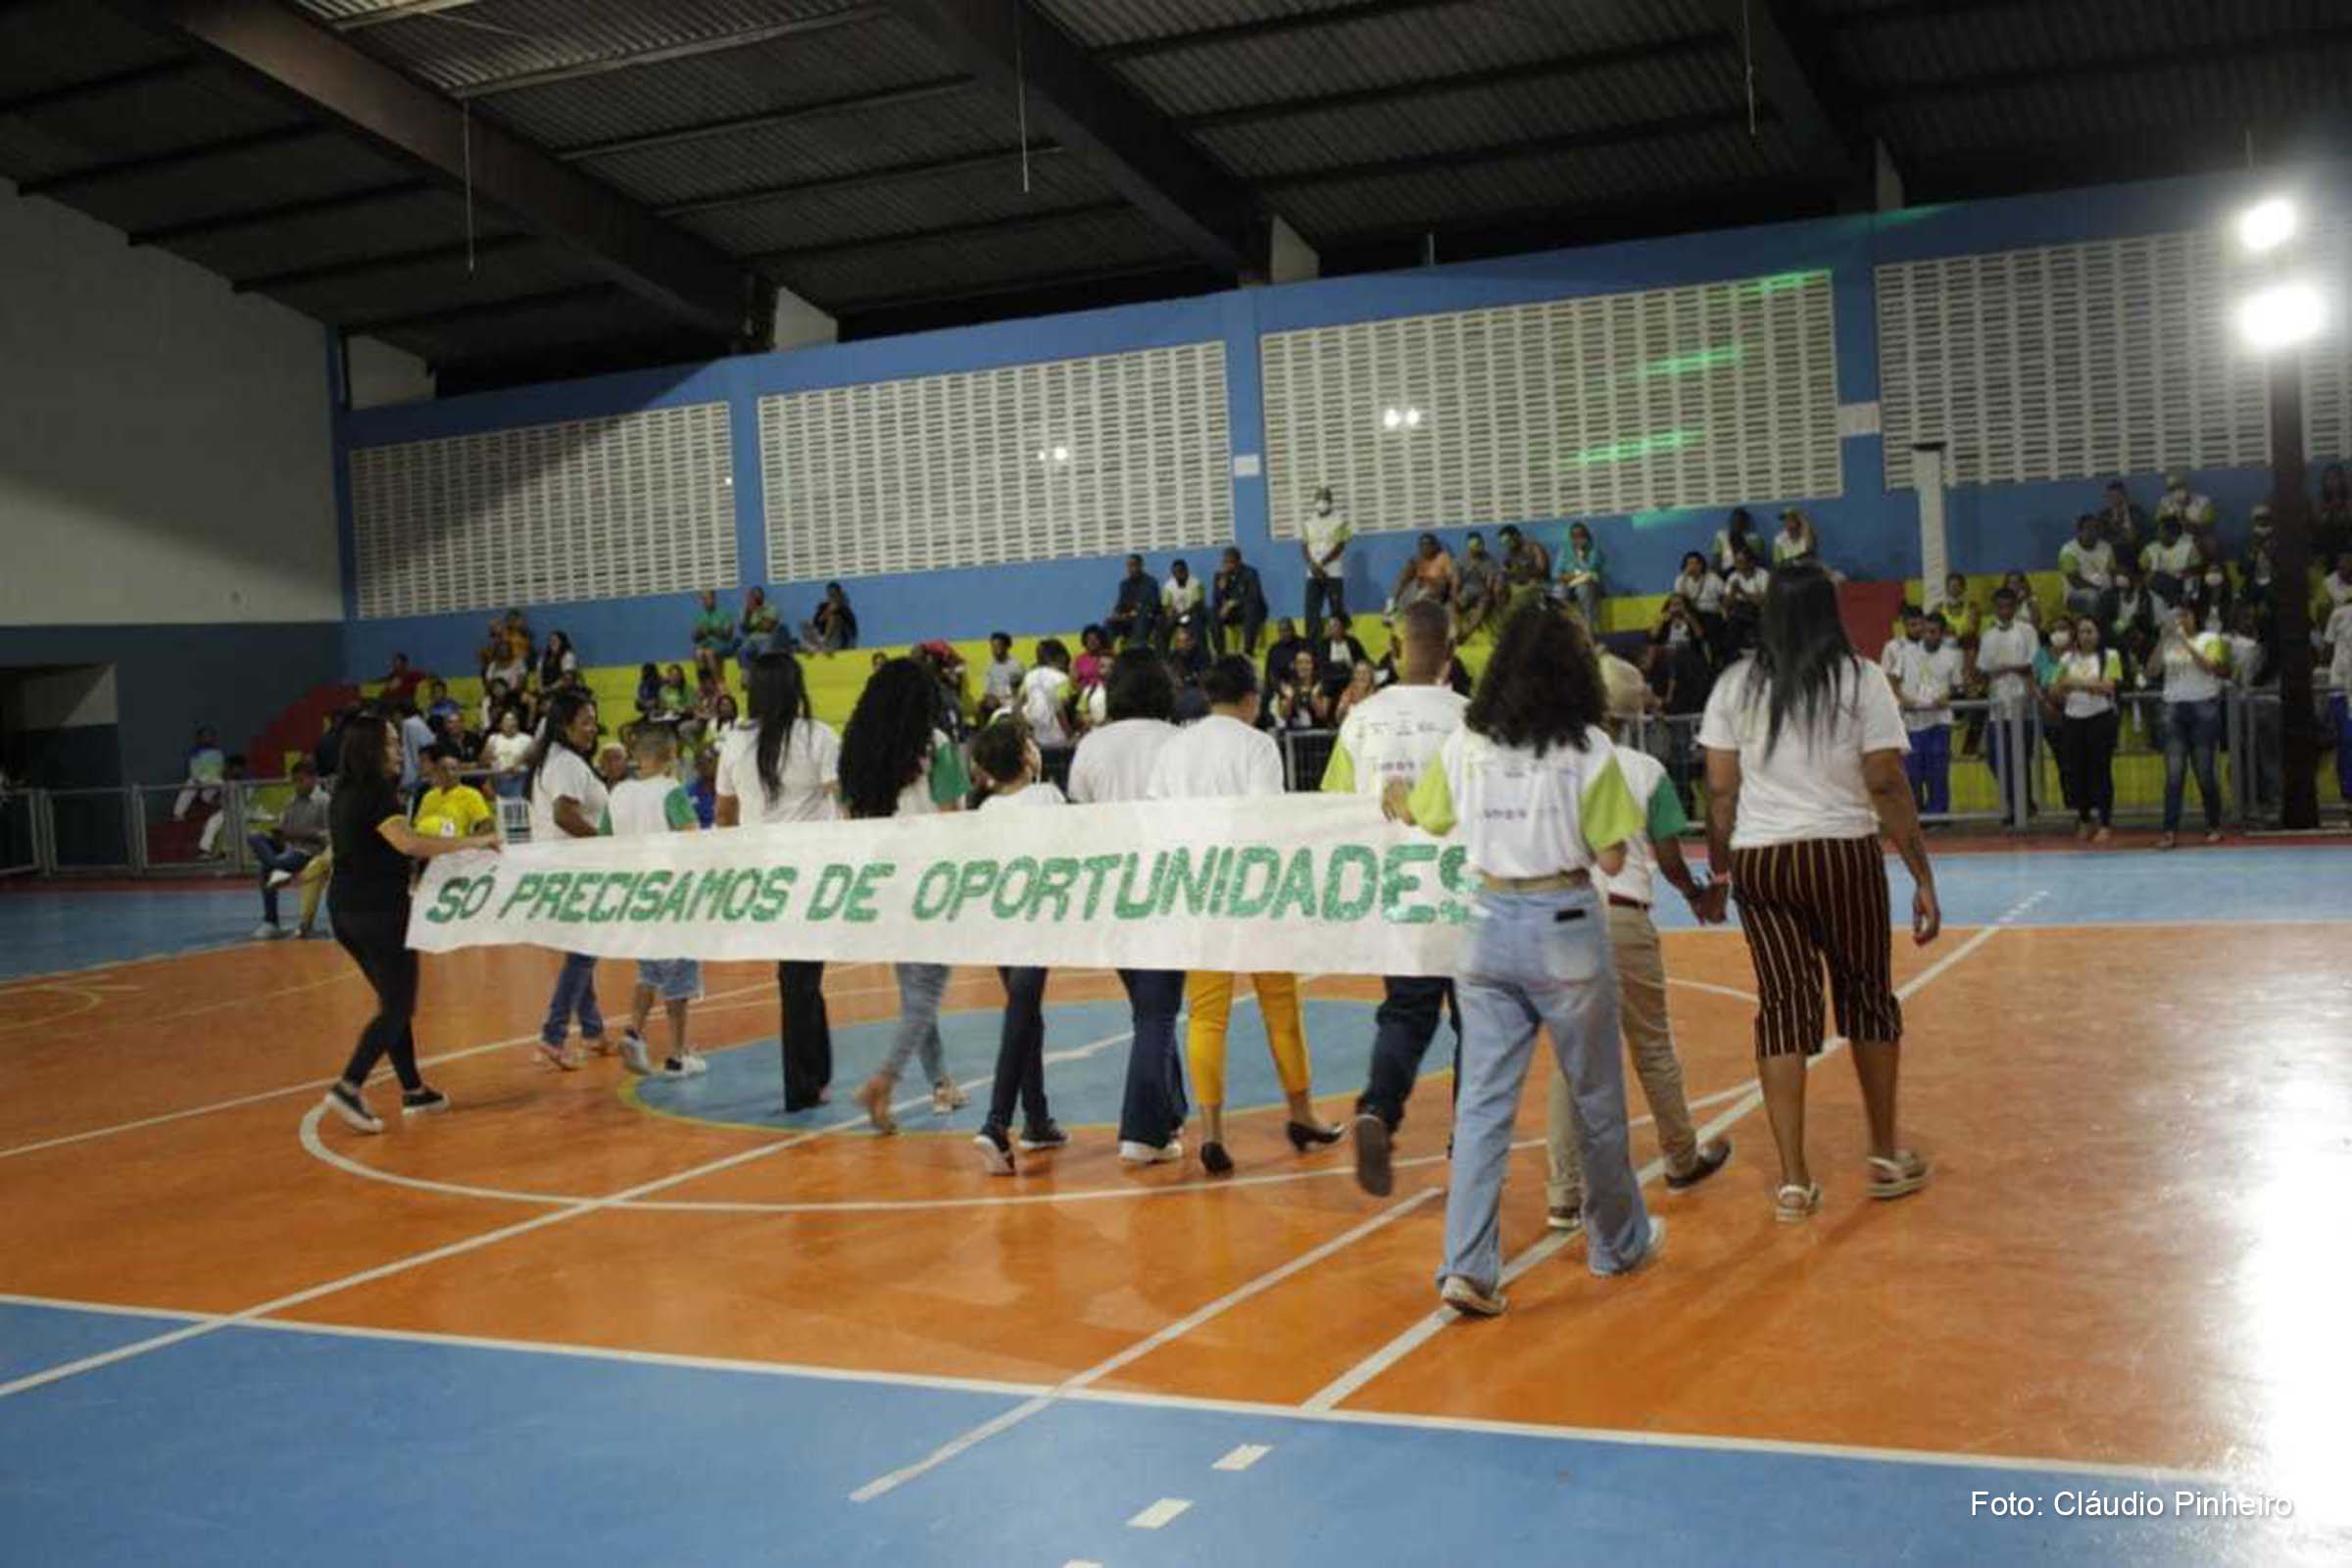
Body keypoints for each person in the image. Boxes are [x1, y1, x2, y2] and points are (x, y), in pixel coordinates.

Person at [1384, 605, 1660, 1316]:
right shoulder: (1588, 747)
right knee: (1595, 1096)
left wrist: (1397, 799)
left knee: (1481, 1104)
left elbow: (1426, 816)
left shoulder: (1466, 741)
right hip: (1563, 920)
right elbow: (1611, 854)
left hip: (1483, 923)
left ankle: (1469, 1266)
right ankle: (1617, 1242)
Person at [1696, 562, 1939, 1224]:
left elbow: (1721, 792)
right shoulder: (1861, 680)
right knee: (1866, 995)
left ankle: (1795, 1182)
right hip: (1841, 853)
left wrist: (1720, 874)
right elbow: (1886, 782)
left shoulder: (1735, 687)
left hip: (1762, 863)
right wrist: (1920, 872)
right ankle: (1886, 1155)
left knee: (1781, 1007)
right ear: (1830, 612)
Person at [1544, 656, 1734, 1229]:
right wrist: (1700, 894)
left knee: (1569, 1060)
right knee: (1651, 1043)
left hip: (1562, 917)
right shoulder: (1643, 769)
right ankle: (1680, 1156)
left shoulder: (1552, 764)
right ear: (1630, 713)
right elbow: (1671, 855)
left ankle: (1563, 1192)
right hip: (1624, 918)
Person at [1148, 656, 1340, 1174]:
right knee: (1280, 1004)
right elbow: (1264, 820)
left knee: (1207, 1015)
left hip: (1197, 891)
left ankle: (1211, 1132)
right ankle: (1301, 1113)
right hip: (1254, 892)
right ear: (1252, 697)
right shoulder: (1257, 746)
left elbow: (1155, 819)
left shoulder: (1173, 750)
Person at [1322, 601, 1465, 1195]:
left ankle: (1379, 1109)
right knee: (1479, 1022)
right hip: (1466, 890)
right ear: (1450, 655)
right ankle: (1472, 1139)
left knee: (1405, 1013)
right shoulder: (1472, 718)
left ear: (1394, 647)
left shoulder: (1361, 720)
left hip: (1398, 891)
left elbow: (1332, 804)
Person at [315, 711, 487, 1134]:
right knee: (398, 1006)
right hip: (379, 911)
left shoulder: (344, 792)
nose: (399, 751)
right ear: (372, 750)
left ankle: (413, 1088)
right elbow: (408, 843)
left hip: (344, 910)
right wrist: (475, 841)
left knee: (393, 1002)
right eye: (391, 743)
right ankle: (349, 1086)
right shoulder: (377, 792)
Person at [840, 660, 971, 1132]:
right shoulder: (934, 747)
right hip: (928, 880)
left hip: (882, 881)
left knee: (915, 991)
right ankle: (884, 1079)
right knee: (926, 993)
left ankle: (940, 1083)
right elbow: (952, 817)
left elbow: (849, 821)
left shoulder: (853, 753)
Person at [1068, 651, 1186, 1165]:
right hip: (1166, 886)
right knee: (1158, 1012)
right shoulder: (1179, 742)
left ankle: (1170, 1112)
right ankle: (1141, 1129)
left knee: (1148, 1006)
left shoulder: (1091, 746)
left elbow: (1080, 816)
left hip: (1111, 889)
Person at [716, 651, 842, 1108]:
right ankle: (803, 1081)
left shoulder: (734, 742)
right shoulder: (817, 737)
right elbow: (841, 799)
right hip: (811, 873)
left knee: (798, 974)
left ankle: (811, 1074)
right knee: (800, 976)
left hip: (761, 873)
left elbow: (724, 812)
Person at [966, 721, 1068, 1175]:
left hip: (998, 924)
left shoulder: (986, 810)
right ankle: (996, 1123)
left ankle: (1037, 1118)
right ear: (1027, 756)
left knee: (1026, 1013)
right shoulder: (1047, 796)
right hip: (1036, 920)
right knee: (1021, 1015)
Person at [606, 725, 700, 1078]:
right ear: (670, 757)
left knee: (648, 971)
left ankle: (634, 1032)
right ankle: (677, 1056)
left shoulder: (618, 794)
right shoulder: (670, 791)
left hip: (634, 893)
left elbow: (602, 840)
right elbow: (691, 838)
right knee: (679, 977)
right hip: (672, 893)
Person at [527, 690, 611, 1070]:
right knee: (583, 952)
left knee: (580, 950)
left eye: (594, 720)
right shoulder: (567, 765)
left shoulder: (556, 761)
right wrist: (609, 845)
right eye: (586, 721)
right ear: (564, 725)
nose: (592, 728)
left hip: (559, 867)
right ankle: (552, 1036)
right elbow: (564, 815)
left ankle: (592, 1031)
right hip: (575, 868)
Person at [2152, 603, 2230, 849]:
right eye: (2173, 617)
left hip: (2202, 706)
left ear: (2193, 617)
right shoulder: (2168, 643)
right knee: (2174, 773)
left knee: (2204, 770)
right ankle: (2169, 830)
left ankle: (2214, 824)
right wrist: (2162, 640)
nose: (2178, 621)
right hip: (2173, 707)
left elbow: (2211, 667)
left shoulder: (2210, 638)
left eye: (2182, 616)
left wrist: (2185, 641)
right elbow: (2151, 670)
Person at [2051, 615, 2122, 843]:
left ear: (2098, 634)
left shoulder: (2110, 656)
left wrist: (2074, 684)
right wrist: (2087, 686)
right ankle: (2084, 819)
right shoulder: (2066, 659)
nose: (2086, 636)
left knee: (2100, 771)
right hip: (2073, 719)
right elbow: (2055, 690)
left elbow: (2108, 687)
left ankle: (2105, 822)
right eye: (2082, 632)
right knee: (2075, 772)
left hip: (2100, 719)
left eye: (2090, 631)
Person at [1974, 585, 2040, 826]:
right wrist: (1992, 674)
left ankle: (2021, 807)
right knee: (1995, 758)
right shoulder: (1988, 635)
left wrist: (2005, 669)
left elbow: (2033, 664)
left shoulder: (2027, 630)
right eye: (1999, 607)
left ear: (2014, 607)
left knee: (2020, 758)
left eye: (2008, 606)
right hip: (1997, 706)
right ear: (1995, 608)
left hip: (2022, 703)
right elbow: (1982, 669)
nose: (2004, 611)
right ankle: (2017, 801)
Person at [247, 759, 329, 940]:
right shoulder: (292, 801)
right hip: (290, 849)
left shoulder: (324, 802)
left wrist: (299, 835)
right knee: (254, 836)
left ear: (313, 779)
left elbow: (328, 836)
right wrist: (279, 834)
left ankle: (271, 921)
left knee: (267, 868)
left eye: (301, 780)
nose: (297, 785)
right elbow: (285, 831)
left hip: (310, 853)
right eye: (295, 781)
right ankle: (275, 865)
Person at [1892, 612, 1964, 816]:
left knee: (1937, 771)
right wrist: (1902, 699)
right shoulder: (1906, 653)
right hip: (1913, 721)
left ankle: (1938, 815)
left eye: (1933, 632)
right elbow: (1894, 681)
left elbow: (1958, 688)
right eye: (1925, 631)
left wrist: (1947, 696)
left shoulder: (1953, 655)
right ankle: (1916, 814)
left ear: (1942, 633)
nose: (1928, 635)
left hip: (1939, 721)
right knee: (1912, 772)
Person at [414, 744, 493, 842]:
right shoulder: (429, 796)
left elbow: (487, 824)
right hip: (427, 845)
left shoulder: (470, 794)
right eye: (443, 769)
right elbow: (418, 824)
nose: (449, 773)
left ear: (460, 772)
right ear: (436, 772)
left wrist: (470, 842)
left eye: (454, 769)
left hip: (455, 845)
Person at [172, 725, 228, 855]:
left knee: (226, 786)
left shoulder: (218, 752)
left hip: (213, 780)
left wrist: (216, 778)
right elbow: (194, 770)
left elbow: (221, 769)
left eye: (210, 736)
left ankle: (223, 806)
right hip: (199, 779)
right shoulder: (195, 752)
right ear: (199, 739)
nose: (207, 738)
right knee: (189, 785)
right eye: (204, 736)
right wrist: (198, 779)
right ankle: (178, 813)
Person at [1300, 484, 1349, 635]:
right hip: (1313, 573)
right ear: (1315, 502)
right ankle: (1313, 645)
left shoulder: (1341, 521)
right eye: (1319, 499)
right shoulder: (1308, 523)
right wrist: (1312, 565)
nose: (1322, 502)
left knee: (1335, 610)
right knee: (1311, 611)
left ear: (1331, 501)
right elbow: (1304, 546)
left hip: (1333, 572)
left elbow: (1340, 546)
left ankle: (1336, 643)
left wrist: (1321, 564)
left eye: (1325, 499)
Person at [1209, 546, 1268, 657]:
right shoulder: (1219, 576)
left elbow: (1254, 596)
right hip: (1232, 613)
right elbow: (1216, 601)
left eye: (1231, 562)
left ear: (1239, 562)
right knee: (1212, 613)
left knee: (1251, 608)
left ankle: (1248, 652)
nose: (1227, 565)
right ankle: (1221, 653)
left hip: (1251, 611)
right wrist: (1221, 589)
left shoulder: (1250, 573)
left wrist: (1232, 603)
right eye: (1225, 562)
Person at [1018, 638, 1075, 751]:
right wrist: (1069, 735)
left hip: (1036, 739)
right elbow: (1059, 709)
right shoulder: (1061, 679)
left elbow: (1016, 707)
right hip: (1058, 739)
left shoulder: (1029, 676)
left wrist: (1026, 733)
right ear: (1061, 657)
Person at [2059, 514, 2116, 619]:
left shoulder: (2106, 547)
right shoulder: (2068, 551)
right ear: (2079, 532)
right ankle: (2096, 628)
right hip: (2075, 594)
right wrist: (2098, 590)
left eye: (2096, 528)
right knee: (2093, 597)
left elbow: (2113, 572)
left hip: (2105, 591)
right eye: (2089, 529)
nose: (2093, 532)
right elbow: (2075, 581)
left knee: (2120, 596)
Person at [1389, 533, 1455, 617]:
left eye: (1428, 546)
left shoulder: (1443, 557)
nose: (1425, 549)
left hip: (1438, 592)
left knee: (1434, 585)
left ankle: (1409, 609)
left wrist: (1453, 597)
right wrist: (1395, 597)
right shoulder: (1417, 559)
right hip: (1419, 589)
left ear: (1435, 546)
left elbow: (1451, 578)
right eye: (1423, 546)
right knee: (1405, 575)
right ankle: (1392, 604)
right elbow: (1405, 578)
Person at [2141, 513, 2196, 612]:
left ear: (2172, 532)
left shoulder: (2188, 548)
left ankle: (2176, 606)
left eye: (2161, 531)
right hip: (2156, 588)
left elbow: (2191, 573)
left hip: (2180, 587)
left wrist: (2188, 592)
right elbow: (2146, 573)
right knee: (2156, 577)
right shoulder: (2150, 549)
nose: (2157, 533)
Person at [1452, 531, 1501, 640]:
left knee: (1482, 607)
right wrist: (1455, 597)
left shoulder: (1490, 561)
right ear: (1469, 546)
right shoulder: (1460, 560)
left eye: (1479, 545)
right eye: (1474, 546)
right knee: (1455, 605)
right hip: (1467, 590)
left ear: (1483, 544)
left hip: (1483, 591)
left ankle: (1466, 633)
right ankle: (1456, 630)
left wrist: (1490, 597)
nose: (1477, 548)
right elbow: (1456, 582)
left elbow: (1491, 582)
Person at [1105, 554, 1160, 650]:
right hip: (1128, 618)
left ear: (1141, 566)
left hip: (1146, 618)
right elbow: (1120, 605)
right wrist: (1117, 614)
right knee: (1109, 623)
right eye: (1129, 566)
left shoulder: (1151, 582)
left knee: (1142, 616)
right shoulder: (1124, 584)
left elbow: (1154, 604)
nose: (1131, 568)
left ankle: (1137, 649)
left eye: (1134, 565)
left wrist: (1136, 612)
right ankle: (1106, 652)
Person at [1269, 646, 1328, 731]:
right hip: (1294, 735)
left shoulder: (1321, 686)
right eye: (1299, 663)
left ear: (1313, 665)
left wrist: (1314, 697)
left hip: (1318, 734)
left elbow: (1322, 715)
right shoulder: (1288, 687)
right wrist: (1289, 698)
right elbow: (1284, 716)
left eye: (1308, 663)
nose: (1303, 667)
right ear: (1295, 666)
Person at [1497, 524, 1550, 615]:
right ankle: (1505, 617)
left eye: (1508, 541)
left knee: (1532, 585)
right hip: (1519, 584)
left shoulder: (1534, 548)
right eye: (1504, 543)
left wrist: (1520, 571)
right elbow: (1505, 573)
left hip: (1538, 583)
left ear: (1516, 536)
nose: (1507, 545)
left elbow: (1542, 569)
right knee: (1499, 587)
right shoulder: (1509, 554)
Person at [1558, 521, 1605, 625]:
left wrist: (1581, 556)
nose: (1577, 539)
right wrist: (1566, 576)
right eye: (1574, 536)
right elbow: (1556, 573)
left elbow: (1589, 571)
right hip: (1569, 582)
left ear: (1586, 537)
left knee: (1582, 589)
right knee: (1559, 591)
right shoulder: (1565, 550)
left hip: (1590, 583)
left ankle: (1589, 627)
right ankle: (1563, 626)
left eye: (1580, 536)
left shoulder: (1594, 550)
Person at [482, 707, 533, 801]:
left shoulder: (527, 739)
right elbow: (483, 762)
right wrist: (487, 757)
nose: (510, 723)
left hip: (520, 778)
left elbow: (533, 762)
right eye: (506, 719)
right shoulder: (493, 738)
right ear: (500, 724)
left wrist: (518, 766)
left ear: (517, 722)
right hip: (498, 778)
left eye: (512, 719)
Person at [692, 589, 738, 681]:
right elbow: (694, 637)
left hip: (722, 644)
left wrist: (712, 630)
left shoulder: (724, 614)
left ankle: (718, 682)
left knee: (709, 653)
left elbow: (728, 634)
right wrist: (699, 633)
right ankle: (705, 683)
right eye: (703, 599)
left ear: (714, 599)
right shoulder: (701, 617)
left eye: (708, 598)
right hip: (706, 645)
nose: (705, 601)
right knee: (698, 653)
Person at [2098, 479, 2148, 564]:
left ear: (2125, 495)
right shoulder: (2104, 516)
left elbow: (2141, 532)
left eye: (2118, 496)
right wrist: (2123, 538)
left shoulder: (2136, 511)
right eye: (2112, 496)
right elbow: (2103, 537)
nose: (2115, 500)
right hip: (2115, 552)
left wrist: (2131, 535)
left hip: (2136, 550)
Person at [802, 582, 858, 655]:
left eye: (834, 593)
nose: (831, 596)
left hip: (840, 640)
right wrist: (825, 613)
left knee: (835, 618)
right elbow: (816, 621)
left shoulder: (844, 609)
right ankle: (812, 645)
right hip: (821, 638)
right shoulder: (823, 606)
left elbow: (853, 631)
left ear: (839, 594)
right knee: (805, 623)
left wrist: (834, 609)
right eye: (829, 593)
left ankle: (824, 642)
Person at [979, 632, 1024, 720]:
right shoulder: (990, 667)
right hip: (994, 703)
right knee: (981, 706)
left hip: (1012, 701)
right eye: (993, 646)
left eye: (998, 646)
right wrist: (989, 697)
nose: (994, 650)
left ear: (1007, 647)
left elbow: (1020, 691)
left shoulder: (1016, 666)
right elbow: (987, 690)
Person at [2153, 470, 2216, 535]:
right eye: (2172, 490)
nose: (2177, 493)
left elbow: (2209, 523)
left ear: (2187, 488)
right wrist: (2170, 515)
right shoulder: (2165, 502)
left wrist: (2192, 519)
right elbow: (2158, 520)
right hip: (2174, 539)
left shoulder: (2203, 502)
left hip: (2198, 538)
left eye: (2180, 488)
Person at [1161, 559, 1205, 648]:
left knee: (1197, 621)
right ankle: (1164, 656)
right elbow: (1166, 605)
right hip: (1176, 616)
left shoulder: (1196, 583)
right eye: (1175, 573)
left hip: (1192, 614)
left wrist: (1183, 614)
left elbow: (1197, 604)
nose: (1178, 575)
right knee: (1163, 625)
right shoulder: (1168, 586)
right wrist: (1171, 612)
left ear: (1186, 571)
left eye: (1181, 571)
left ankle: (1201, 654)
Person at [1261, 617, 1308, 699]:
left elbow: (1309, 667)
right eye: (1281, 631)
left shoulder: (1304, 644)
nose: (1284, 634)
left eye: (1287, 630)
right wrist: (1280, 685)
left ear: (1293, 630)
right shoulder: (1274, 649)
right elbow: (1270, 673)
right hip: (1281, 684)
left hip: (1300, 681)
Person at [738, 586, 780, 674]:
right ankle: (746, 676)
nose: (754, 598)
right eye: (752, 596)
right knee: (742, 651)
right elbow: (744, 629)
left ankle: (764, 675)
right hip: (751, 639)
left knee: (764, 653)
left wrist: (753, 626)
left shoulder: (770, 608)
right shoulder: (747, 611)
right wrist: (748, 614)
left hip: (766, 638)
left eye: (756, 596)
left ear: (762, 597)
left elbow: (767, 627)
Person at [1712, 508, 1760, 577]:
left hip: (1747, 571)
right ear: (1731, 522)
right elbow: (1717, 558)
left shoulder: (1755, 538)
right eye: (1735, 521)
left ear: (1746, 523)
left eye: (1741, 521)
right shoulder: (1721, 535)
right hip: (1725, 571)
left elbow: (1757, 561)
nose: (1737, 523)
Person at [538, 630, 579, 694]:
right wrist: (542, 689)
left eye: (555, 641)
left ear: (562, 642)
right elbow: (539, 676)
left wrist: (550, 688)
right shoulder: (543, 658)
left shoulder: (568, 656)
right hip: (547, 691)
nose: (552, 643)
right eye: (551, 641)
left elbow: (567, 678)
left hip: (566, 691)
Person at [1073, 624, 1111, 691]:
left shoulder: (1109, 656)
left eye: (1096, 639)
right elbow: (1074, 681)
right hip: (1086, 694)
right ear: (1085, 641)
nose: (1092, 642)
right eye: (1089, 639)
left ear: (1101, 640)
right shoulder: (1079, 660)